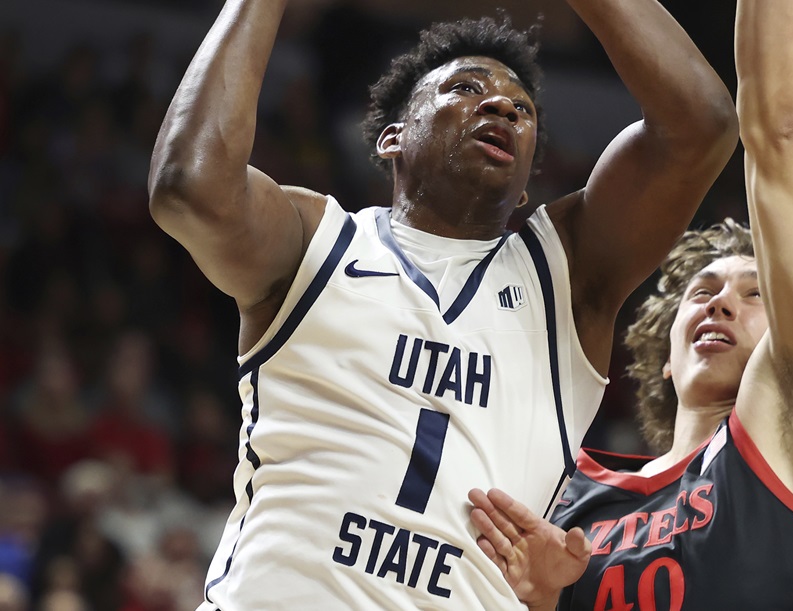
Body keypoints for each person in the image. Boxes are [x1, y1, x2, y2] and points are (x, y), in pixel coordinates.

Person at [147, 0, 738, 607]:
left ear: (529, 173)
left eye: (523, 109)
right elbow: (191, 188)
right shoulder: (315, 243)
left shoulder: (565, 278)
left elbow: (701, 125)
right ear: (392, 137)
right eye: (464, 87)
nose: (503, 104)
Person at [467, 0, 793, 609]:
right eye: (703, 293)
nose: (720, 307)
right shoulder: (566, 492)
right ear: (666, 353)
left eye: (754, 294)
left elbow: (782, 136)